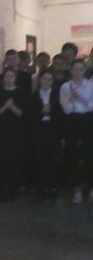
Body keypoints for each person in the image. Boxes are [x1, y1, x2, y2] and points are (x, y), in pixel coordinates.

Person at [0, 67, 27, 200]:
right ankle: (2, 190)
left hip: (17, 132)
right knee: (1, 161)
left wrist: (11, 107)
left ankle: (13, 189)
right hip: (1, 132)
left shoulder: (21, 93)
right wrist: (5, 107)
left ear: (15, 78)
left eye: (12, 76)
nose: (9, 79)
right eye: (7, 76)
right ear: (3, 79)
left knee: (14, 161)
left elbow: (23, 114)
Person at [59, 59, 93, 203]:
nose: (78, 72)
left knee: (89, 152)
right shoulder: (65, 87)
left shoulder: (90, 85)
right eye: (75, 69)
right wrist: (72, 98)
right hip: (71, 120)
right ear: (70, 70)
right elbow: (66, 109)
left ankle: (91, 188)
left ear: (84, 71)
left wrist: (78, 97)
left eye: (80, 69)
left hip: (87, 120)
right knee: (72, 153)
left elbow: (91, 106)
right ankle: (76, 188)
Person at [26, 70, 63, 200]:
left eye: (49, 79)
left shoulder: (57, 95)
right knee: (39, 158)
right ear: (40, 80)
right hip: (38, 129)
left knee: (53, 158)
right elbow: (29, 114)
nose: (47, 81)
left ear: (52, 81)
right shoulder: (33, 95)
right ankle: (41, 187)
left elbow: (61, 113)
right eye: (44, 78)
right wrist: (42, 111)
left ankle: (53, 186)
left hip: (53, 129)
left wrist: (50, 112)